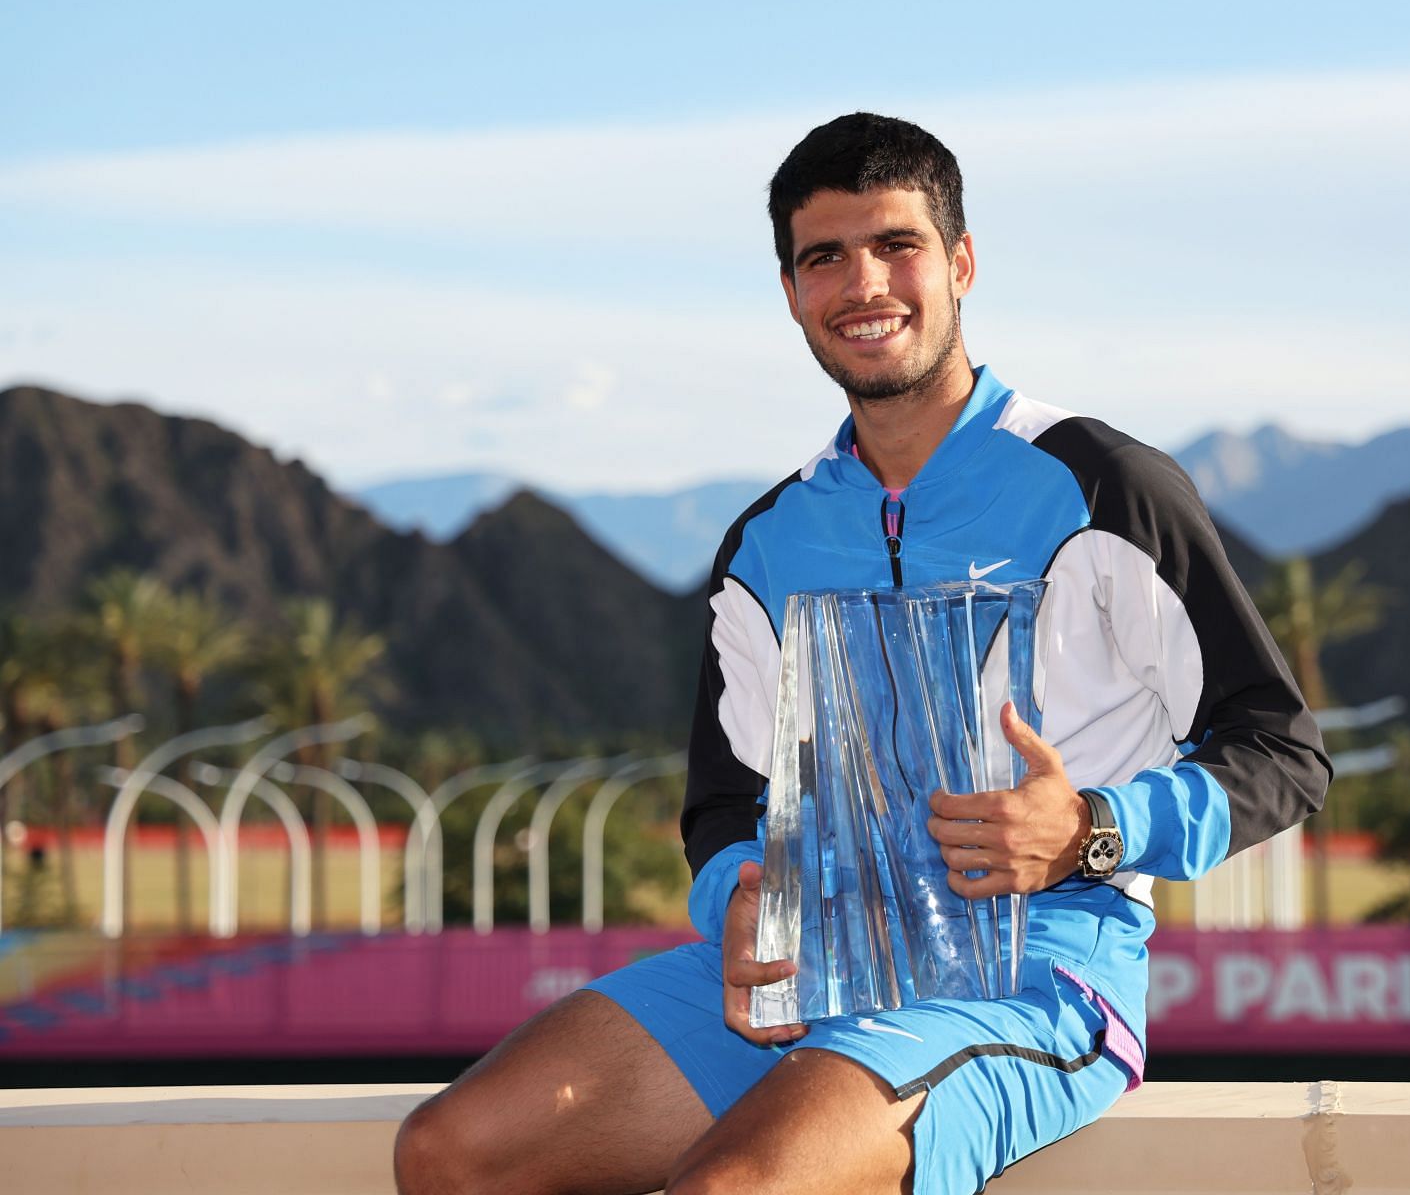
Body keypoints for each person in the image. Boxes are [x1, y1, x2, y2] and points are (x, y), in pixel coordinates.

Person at [393, 113, 1330, 1194]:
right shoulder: (769, 539)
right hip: (808, 969)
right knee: (450, 1154)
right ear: (793, 291)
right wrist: (742, 899)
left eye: (898, 245)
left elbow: (1281, 749)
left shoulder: (1104, 484)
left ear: (961, 263)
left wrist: (1091, 828)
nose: (863, 282)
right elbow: (723, 804)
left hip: (1034, 975)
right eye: (824, 256)